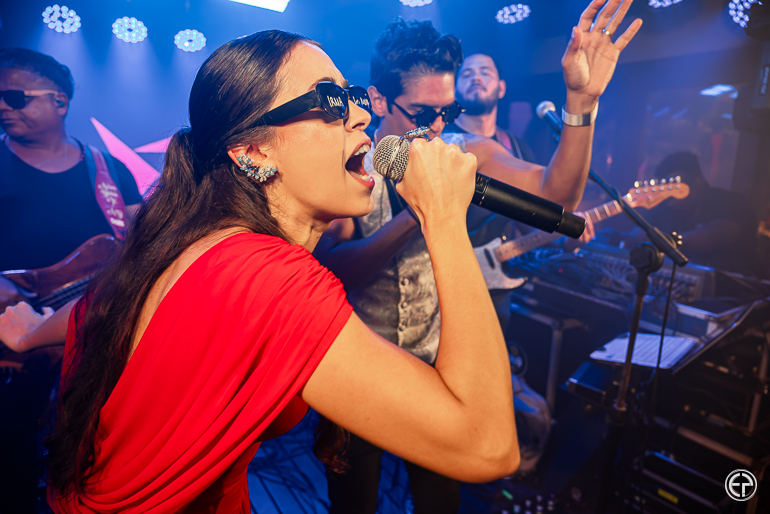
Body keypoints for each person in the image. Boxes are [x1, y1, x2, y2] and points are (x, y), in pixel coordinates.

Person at [2, 29, 522, 512]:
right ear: (253, 151)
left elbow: (107, 302)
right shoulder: (269, 279)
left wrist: (31, 332)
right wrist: (443, 218)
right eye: (330, 100)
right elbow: (487, 447)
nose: (360, 116)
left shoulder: (206, 243)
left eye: (354, 96)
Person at [314, 1, 641, 512]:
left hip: (435, 370)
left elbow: (558, 196)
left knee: (441, 501)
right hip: (359, 369)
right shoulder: (349, 162)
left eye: (447, 113)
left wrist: (581, 101)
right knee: (353, 501)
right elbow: (338, 269)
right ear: (378, 100)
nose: (436, 128)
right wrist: (420, 213)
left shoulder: (466, 152)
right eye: (422, 114)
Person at [0, 48, 142, 514]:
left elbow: (141, 248)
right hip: (11, 348)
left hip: (87, 344)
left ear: (59, 101)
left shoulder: (108, 170)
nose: (2, 106)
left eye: (14, 97)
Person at [609, 151, 757, 274]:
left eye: (673, 182)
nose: (667, 191)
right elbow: (640, 233)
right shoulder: (664, 207)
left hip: (729, 288)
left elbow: (722, 232)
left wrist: (669, 242)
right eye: (664, 185)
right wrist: (624, 238)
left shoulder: (726, 200)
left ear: (698, 180)